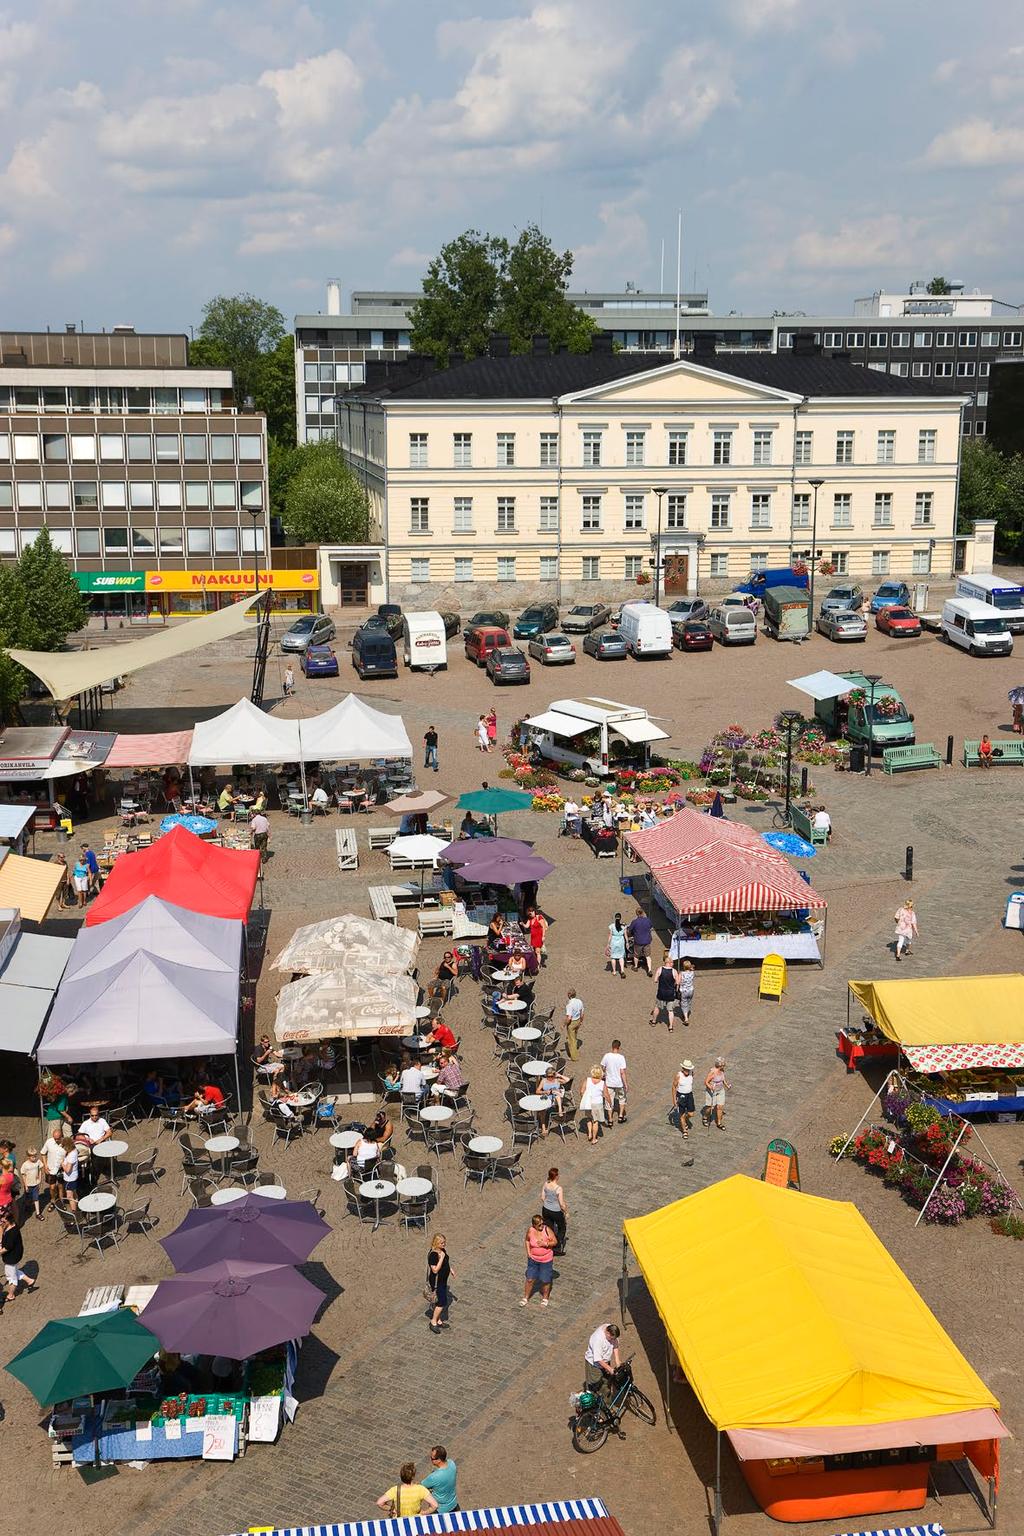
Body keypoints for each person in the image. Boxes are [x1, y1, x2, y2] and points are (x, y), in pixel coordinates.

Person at [521, 1212, 557, 1307]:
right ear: (534, 1225)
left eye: (542, 1223)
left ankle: (545, 1298)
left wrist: (545, 1244)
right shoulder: (530, 1230)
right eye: (539, 1225)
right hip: (533, 1260)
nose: (541, 1226)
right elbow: (527, 1240)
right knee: (529, 1279)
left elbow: (555, 1241)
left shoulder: (546, 1230)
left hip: (546, 1260)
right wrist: (528, 1253)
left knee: (545, 1280)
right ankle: (525, 1297)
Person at [1, 1210, 36, 1301]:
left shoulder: (12, 1232)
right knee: (14, 1271)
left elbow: (7, 1247)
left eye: (3, 1221)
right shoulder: (12, 1226)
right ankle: (29, 1280)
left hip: (11, 1258)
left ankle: (11, 1295)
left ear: (8, 1221)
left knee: (11, 1277)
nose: (1, 1222)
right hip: (15, 1255)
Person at [584, 1322, 621, 1396]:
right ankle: (593, 1403)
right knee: (595, 1385)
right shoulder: (598, 1339)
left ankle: (606, 1404)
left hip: (605, 1362)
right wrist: (610, 1369)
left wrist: (617, 1360)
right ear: (607, 1333)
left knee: (607, 1384)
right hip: (594, 1366)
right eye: (611, 1339)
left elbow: (615, 1344)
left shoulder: (610, 1330)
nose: (612, 1341)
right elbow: (598, 1359)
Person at [422, 1445, 459, 1514]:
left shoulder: (434, 1477)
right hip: (454, 1505)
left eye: (432, 1458)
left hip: (440, 1510)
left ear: (439, 1460)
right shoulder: (452, 1463)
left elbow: (422, 1486)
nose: (430, 1459)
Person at [580, 1065, 610, 1145]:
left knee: (589, 1118)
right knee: (595, 1121)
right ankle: (594, 1138)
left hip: (588, 1103)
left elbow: (582, 1091)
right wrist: (610, 1103)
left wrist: (585, 1098)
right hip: (597, 1104)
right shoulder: (602, 1083)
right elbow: (606, 1095)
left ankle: (589, 1133)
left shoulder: (587, 1080)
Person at [427, 1233, 451, 1334]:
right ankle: (433, 1322)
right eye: (442, 1243)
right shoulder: (433, 1255)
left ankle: (438, 1320)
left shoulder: (442, 1251)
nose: (444, 1245)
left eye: (444, 1242)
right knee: (441, 1302)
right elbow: (435, 1270)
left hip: (443, 1281)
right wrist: (441, 1258)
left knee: (440, 1301)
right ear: (436, 1243)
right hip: (437, 1282)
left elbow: (446, 1262)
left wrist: (451, 1269)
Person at [600, 1040, 629, 1125]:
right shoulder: (621, 1057)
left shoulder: (607, 1056)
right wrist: (626, 1084)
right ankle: (620, 1116)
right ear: (619, 1047)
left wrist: (604, 1073)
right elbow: (622, 1072)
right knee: (622, 1099)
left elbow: (602, 1067)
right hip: (619, 1083)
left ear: (612, 1047)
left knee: (609, 1101)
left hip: (609, 1082)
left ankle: (610, 1119)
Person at [652, 950, 681, 1032]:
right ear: (669, 963)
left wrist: (659, 980)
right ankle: (671, 1027)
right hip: (670, 993)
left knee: (657, 1007)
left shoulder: (660, 969)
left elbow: (655, 980)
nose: (673, 964)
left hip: (661, 992)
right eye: (672, 962)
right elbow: (677, 982)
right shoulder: (674, 971)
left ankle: (654, 1021)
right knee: (670, 1010)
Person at [541, 1167, 568, 1255]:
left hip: (546, 1209)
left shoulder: (546, 1184)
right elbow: (561, 1203)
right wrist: (566, 1212)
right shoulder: (558, 1188)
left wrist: (548, 1203)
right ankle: (556, 1247)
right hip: (555, 1211)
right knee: (562, 1228)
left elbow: (542, 1197)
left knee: (549, 1228)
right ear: (556, 1176)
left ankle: (549, 1244)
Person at [536, 1066, 567, 1135]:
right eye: (548, 1076)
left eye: (551, 1076)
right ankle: (544, 1128)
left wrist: (559, 1075)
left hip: (555, 1100)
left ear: (554, 1075)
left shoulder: (557, 1080)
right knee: (542, 1110)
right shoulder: (544, 1080)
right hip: (546, 1098)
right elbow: (537, 1091)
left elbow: (567, 1080)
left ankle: (560, 1109)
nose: (550, 1078)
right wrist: (545, 1092)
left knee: (556, 1094)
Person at [703, 1057, 731, 1130]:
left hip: (720, 1091)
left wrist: (727, 1085)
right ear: (720, 1065)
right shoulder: (713, 1072)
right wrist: (711, 1087)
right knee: (710, 1107)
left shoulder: (722, 1071)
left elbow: (723, 1079)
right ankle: (705, 1117)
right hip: (712, 1092)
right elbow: (706, 1082)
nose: (724, 1066)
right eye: (723, 1065)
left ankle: (719, 1123)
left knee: (720, 1107)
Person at [41, 1126, 65, 1207]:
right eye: (55, 1138)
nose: (56, 1140)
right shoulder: (49, 1142)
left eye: (58, 1138)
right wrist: (45, 1166)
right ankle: (53, 1201)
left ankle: (61, 1201)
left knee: (61, 1186)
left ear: (62, 1136)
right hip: (51, 1169)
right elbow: (43, 1153)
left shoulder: (66, 1143)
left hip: (61, 1169)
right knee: (52, 1187)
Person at [627, 907, 654, 975]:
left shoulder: (635, 922)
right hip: (647, 940)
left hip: (638, 940)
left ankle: (636, 966)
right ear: (643, 912)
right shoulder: (648, 920)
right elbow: (650, 927)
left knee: (636, 954)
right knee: (648, 956)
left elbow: (630, 930)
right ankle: (650, 969)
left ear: (636, 914)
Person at [673, 1060, 695, 1139]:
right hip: (681, 1096)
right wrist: (674, 1100)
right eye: (685, 1069)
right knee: (681, 1114)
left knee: (691, 1114)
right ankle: (685, 1131)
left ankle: (684, 1120)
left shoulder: (691, 1074)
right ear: (683, 1068)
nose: (687, 1071)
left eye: (688, 1069)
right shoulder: (678, 1075)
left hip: (689, 1095)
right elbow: (674, 1087)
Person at [20, 1148, 44, 1221]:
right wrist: (26, 1185)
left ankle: (38, 1213)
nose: (34, 1158)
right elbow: (23, 1175)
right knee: (28, 1198)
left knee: (36, 1198)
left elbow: (40, 1169)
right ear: (28, 1156)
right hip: (28, 1184)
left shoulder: (38, 1162)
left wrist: (39, 1178)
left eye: (35, 1156)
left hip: (35, 1184)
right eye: (32, 1156)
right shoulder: (25, 1165)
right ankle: (27, 1206)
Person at [564, 989, 585, 1061]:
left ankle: (574, 1057)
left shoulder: (569, 1005)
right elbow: (582, 1013)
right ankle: (574, 1051)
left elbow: (569, 1018)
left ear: (569, 995)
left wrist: (564, 1024)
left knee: (571, 1040)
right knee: (575, 1037)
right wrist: (581, 1021)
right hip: (578, 1020)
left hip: (572, 1023)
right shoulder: (579, 1001)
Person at [61, 1135, 79, 1211]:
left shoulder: (71, 1156)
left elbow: (68, 1170)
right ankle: (78, 1207)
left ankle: (74, 1212)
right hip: (74, 1176)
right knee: (74, 1193)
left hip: (69, 1179)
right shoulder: (74, 1150)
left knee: (70, 1196)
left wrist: (62, 1163)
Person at [677, 959, 695, 1026]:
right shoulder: (692, 973)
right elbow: (692, 969)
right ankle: (687, 1012)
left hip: (684, 990)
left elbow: (678, 982)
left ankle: (686, 1018)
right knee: (689, 1002)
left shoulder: (682, 973)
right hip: (691, 990)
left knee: (684, 1003)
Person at [607, 913, 627, 977]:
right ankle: (622, 970)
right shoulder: (623, 926)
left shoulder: (612, 926)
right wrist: (627, 942)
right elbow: (625, 935)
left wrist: (608, 944)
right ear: (620, 918)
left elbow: (610, 936)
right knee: (621, 957)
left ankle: (614, 971)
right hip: (621, 941)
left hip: (613, 942)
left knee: (613, 957)